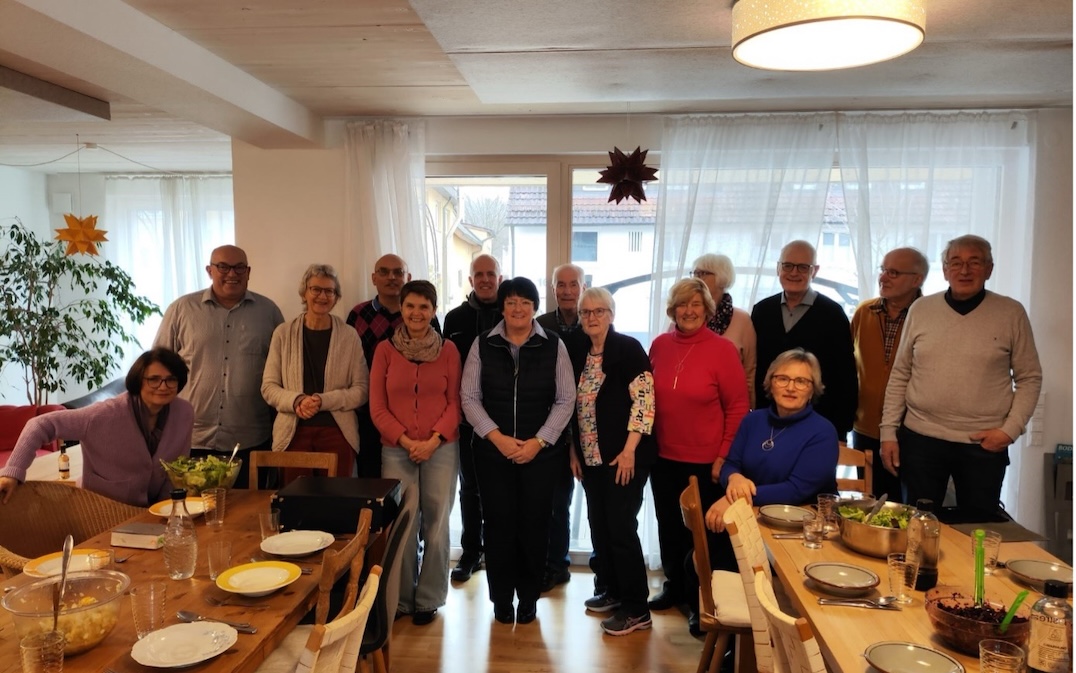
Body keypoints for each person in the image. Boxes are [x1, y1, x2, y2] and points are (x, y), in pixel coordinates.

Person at [880, 235, 1041, 515]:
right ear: (945, 270)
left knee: (977, 528)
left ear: (989, 269)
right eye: (955, 263)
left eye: (974, 262)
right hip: (920, 439)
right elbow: (901, 373)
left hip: (983, 445)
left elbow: (1030, 377)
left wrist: (1010, 430)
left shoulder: (1010, 312)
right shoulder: (921, 310)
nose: (964, 270)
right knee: (918, 525)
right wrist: (888, 433)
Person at [460, 277, 574, 625]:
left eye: (525, 302)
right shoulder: (483, 343)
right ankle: (501, 599)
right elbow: (470, 397)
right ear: (502, 308)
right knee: (497, 526)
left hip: (541, 455)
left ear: (535, 308)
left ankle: (528, 598)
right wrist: (498, 438)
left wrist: (539, 441)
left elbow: (566, 399)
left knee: (535, 526)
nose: (518, 308)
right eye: (511, 302)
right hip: (493, 454)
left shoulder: (553, 344)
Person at [647, 278, 749, 635]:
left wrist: (724, 457)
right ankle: (674, 587)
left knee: (702, 537)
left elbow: (738, 408)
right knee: (669, 527)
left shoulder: (722, 350)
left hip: (705, 462)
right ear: (672, 309)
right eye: (681, 304)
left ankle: (700, 602)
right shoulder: (659, 345)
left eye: (695, 304)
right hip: (662, 457)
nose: (688, 311)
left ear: (707, 309)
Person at [369, 280, 461, 627]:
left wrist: (433, 441)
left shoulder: (448, 350)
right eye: (410, 306)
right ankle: (402, 598)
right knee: (402, 524)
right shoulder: (385, 351)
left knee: (437, 522)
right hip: (397, 450)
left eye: (424, 307)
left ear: (434, 310)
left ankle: (429, 598)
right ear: (401, 309)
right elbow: (377, 407)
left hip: (441, 448)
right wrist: (407, 442)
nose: (416, 313)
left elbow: (455, 402)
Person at [155, 245, 283, 488]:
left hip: (250, 438)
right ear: (209, 270)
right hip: (191, 436)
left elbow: (281, 372)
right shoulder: (182, 309)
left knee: (248, 508)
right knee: (193, 506)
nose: (231, 274)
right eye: (223, 267)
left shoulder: (269, 312)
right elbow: (158, 366)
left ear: (248, 272)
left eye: (239, 267)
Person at [0, 348, 193, 507]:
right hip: (100, 511)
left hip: (156, 511)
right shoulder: (104, 415)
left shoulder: (184, 413)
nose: (163, 386)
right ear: (138, 380)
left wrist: (167, 509)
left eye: (171, 379)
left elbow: (177, 467)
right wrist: (12, 472)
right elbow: (40, 424)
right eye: (154, 379)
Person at [568, 287, 656, 636]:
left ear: (612, 314)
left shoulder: (628, 349)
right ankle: (613, 591)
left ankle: (637, 609)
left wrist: (630, 449)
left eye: (599, 311)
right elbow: (572, 406)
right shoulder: (579, 351)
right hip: (591, 458)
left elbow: (644, 402)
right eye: (586, 312)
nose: (592, 317)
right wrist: (574, 452)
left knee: (621, 529)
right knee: (601, 526)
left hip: (624, 458)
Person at [705, 349, 840, 538]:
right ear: (771, 383)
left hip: (803, 529)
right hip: (751, 519)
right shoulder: (752, 420)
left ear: (812, 390)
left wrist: (739, 499)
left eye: (801, 381)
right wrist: (734, 478)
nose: (790, 387)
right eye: (782, 379)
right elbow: (731, 464)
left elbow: (795, 490)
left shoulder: (823, 432)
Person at [261, 265, 368, 483]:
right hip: (292, 433)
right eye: (316, 289)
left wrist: (324, 400)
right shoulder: (283, 333)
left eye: (329, 291)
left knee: (337, 499)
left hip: (338, 432)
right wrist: (297, 400)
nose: (322, 296)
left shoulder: (349, 336)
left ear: (336, 297)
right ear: (304, 293)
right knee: (295, 498)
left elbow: (362, 390)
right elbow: (269, 387)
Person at [751, 240, 857, 440]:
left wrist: (841, 428)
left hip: (819, 422)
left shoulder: (833, 314)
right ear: (778, 268)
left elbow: (846, 375)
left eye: (802, 267)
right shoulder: (762, 310)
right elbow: (755, 366)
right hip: (769, 418)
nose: (794, 273)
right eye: (788, 266)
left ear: (814, 271)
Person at [346, 253, 440, 478]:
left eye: (398, 272)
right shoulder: (358, 315)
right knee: (371, 480)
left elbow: (435, 363)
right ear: (373, 278)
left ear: (407, 278)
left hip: (412, 417)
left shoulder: (422, 316)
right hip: (369, 413)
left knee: (410, 486)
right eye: (384, 272)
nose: (391, 277)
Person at [850, 247, 928, 501]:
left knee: (909, 504)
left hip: (912, 431)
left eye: (893, 273)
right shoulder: (864, 312)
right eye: (883, 270)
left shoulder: (930, 317)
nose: (883, 277)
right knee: (870, 504)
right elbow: (848, 366)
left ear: (917, 279)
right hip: (865, 427)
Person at [443, 254, 502, 583]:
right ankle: (471, 552)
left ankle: (499, 551)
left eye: (490, 274)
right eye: (479, 274)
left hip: (505, 420)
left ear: (499, 278)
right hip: (466, 420)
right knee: (470, 489)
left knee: (502, 489)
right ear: (470, 280)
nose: (485, 279)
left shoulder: (511, 312)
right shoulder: (454, 319)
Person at [536, 263, 589, 593]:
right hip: (550, 425)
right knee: (553, 502)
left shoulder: (593, 322)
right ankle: (554, 565)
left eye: (573, 284)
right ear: (553, 289)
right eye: (561, 285)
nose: (567, 290)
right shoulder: (540, 325)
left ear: (583, 287)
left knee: (597, 507)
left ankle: (603, 573)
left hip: (589, 426)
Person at [690, 253, 757, 404]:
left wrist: (747, 407)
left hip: (728, 403)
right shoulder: (684, 316)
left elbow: (749, 371)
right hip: (688, 401)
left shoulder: (742, 320)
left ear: (722, 278)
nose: (696, 278)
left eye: (703, 273)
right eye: (695, 273)